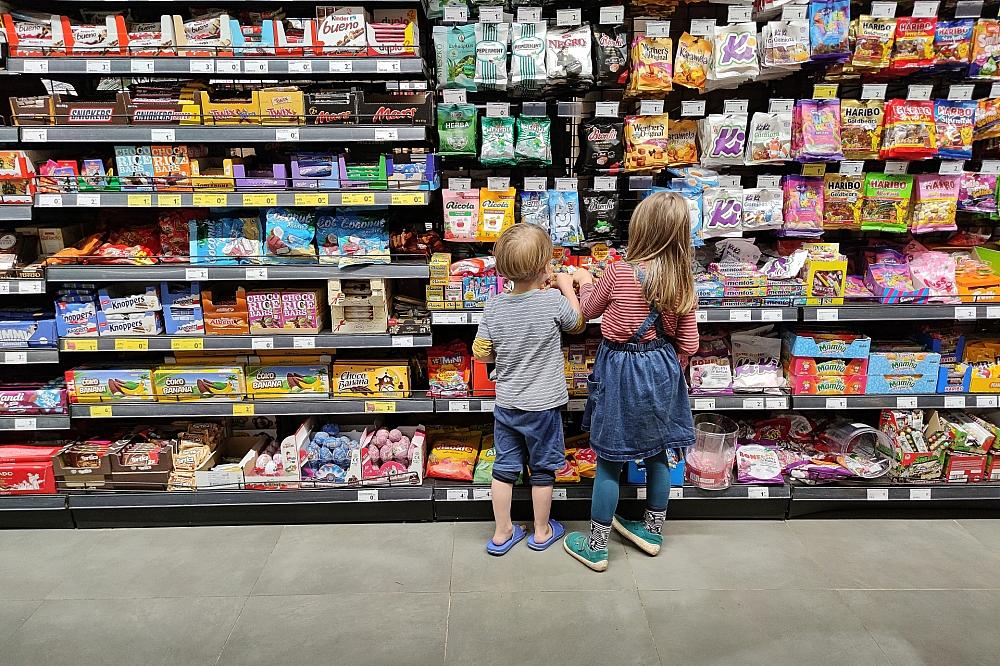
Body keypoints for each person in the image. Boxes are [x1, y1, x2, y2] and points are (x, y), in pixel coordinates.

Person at [563, 192, 699, 572]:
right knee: (658, 452)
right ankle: (652, 531)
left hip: (620, 369)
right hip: (662, 367)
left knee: (609, 459)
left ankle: (596, 546)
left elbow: (586, 311)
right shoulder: (683, 278)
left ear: (640, 230)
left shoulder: (620, 271)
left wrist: (581, 280)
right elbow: (690, 343)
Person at [473, 223, 586, 555]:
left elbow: (481, 353)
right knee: (542, 469)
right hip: (544, 407)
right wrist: (567, 287)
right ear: (545, 268)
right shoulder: (552, 300)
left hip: (508, 404)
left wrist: (503, 355)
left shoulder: (494, 306)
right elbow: (577, 325)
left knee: (504, 468)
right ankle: (540, 531)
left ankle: (502, 532)